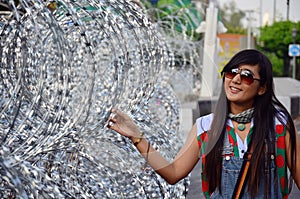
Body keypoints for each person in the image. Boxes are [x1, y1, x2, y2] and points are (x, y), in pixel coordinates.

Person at [107, 49, 300, 198]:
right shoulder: (206, 127)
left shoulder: (280, 127)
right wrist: (136, 137)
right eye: (232, 73)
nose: (236, 80)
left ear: (262, 88)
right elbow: (173, 172)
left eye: (247, 76)